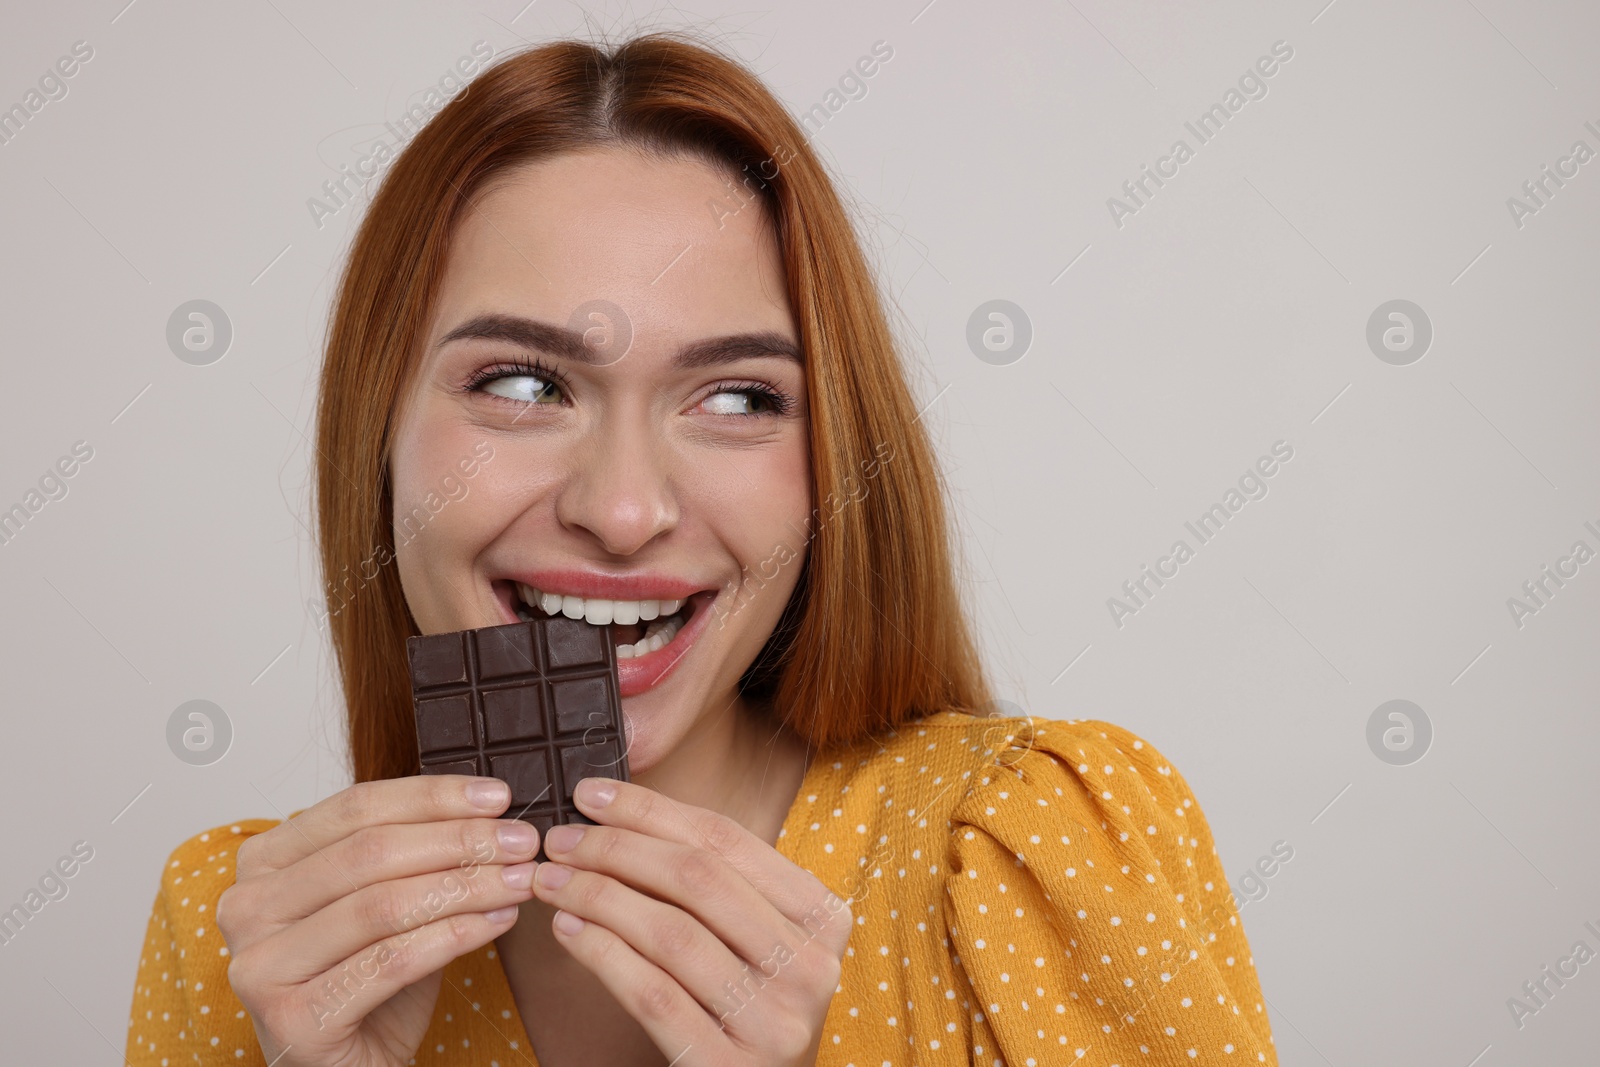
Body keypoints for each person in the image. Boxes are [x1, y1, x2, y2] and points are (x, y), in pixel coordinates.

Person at [125, 30, 1278, 1067]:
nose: (623, 512)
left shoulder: (1031, 857)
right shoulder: (242, 939)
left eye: (733, 396)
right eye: (523, 384)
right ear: (376, 433)